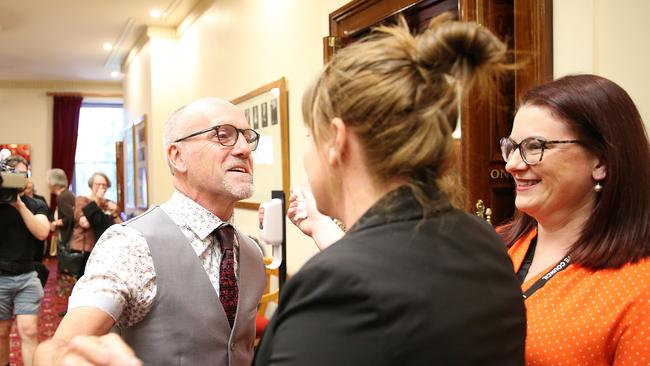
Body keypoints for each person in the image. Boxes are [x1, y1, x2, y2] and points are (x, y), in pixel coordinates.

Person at [255, 14, 526, 365]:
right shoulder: (482, 239)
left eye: (310, 134)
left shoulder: (336, 287)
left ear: (337, 140)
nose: (307, 153)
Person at [34, 98, 267, 366]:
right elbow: (61, 350)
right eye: (223, 135)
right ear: (177, 156)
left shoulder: (252, 253)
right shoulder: (131, 245)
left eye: (248, 138)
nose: (244, 149)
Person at [498, 74, 650, 365]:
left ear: (601, 162)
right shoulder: (492, 245)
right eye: (512, 147)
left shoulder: (640, 289)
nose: (513, 164)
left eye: (534, 147)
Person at [0, 155, 50, 366]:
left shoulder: (35, 204)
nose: (19, 179)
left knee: (28, 330)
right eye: (14, 175)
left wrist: (19, 204)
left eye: (23, 174)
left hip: (27, 276)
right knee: (1, 332)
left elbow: (42, 232)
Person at [70, 172, 121, 277]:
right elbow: (85, 223)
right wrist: (97, 201)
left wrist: (115, 211)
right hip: (85, 249)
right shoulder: (82, 200)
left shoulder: (109, 203)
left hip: (105, 250)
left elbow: (120, 226)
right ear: (91, 185)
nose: (101, 187)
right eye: (98, 184)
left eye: (104, 185)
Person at [46, 169, 75, 252]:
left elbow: (70, 218)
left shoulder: (62, 197)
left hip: (68, 239)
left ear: (53, 182)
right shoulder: (67, 194)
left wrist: (55, 223)